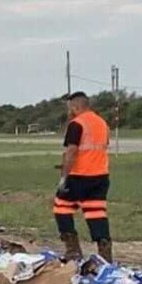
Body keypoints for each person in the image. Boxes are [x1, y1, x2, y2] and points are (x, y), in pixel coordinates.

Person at [53, 91, 112, 262]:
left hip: (79, 176)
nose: (69, 112)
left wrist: (63, 177)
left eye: (69, 108)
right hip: (100, 176)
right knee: (96, 213)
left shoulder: (76, 124)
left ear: (76, 106)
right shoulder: (102, 123)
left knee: (61, 207)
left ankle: (73, 250)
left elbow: (71, 152)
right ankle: (105, 255)